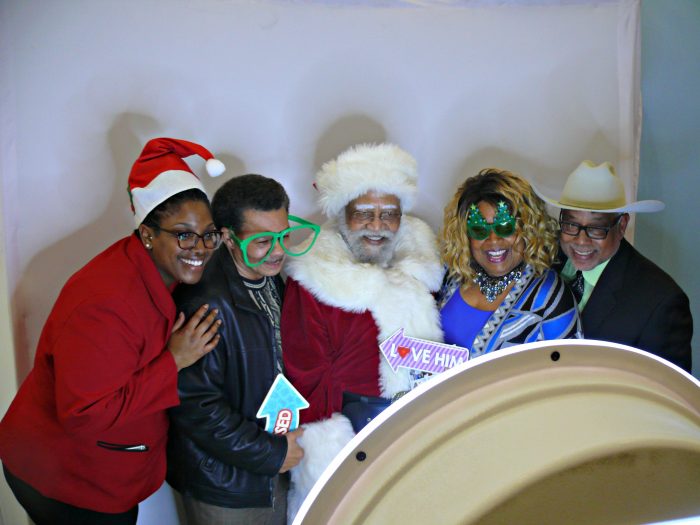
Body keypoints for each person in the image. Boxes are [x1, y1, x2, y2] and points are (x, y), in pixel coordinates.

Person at [0, 137, 225, 525]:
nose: (200, 247)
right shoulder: (105, 304)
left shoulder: (159, 267)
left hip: (101, 469)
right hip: (62, 479)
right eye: (184, 234)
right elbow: (84, 415)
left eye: (208, 234)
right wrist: (175, 359)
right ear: (148, 233)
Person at [280, 143, 444, 520]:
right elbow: (305, 376)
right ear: (342, 216)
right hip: (348, 440)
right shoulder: (312, 282)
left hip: (417, 434)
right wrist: (328, 458)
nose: (377, 226)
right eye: (364, 214)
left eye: (389, 214)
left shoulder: (426, 269)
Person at [167, 174, 319, 525]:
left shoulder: (268, 274)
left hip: (270, 465)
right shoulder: (205, 304)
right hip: (228, 486)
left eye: (283, 235)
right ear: (226, 238)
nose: (279, 249)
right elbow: (195, 406)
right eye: (264, 240)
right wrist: (271, 453)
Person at [534, 160, 693, 372]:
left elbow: (666, 396)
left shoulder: (661, 303)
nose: (581, 241)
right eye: (571, 224)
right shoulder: (543, 256)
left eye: (597, 228)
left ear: (622, 226)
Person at [438, 168, 582, 354]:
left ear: (527, 229)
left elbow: (570, 372)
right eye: (479, 229)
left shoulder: (549, 297)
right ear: (465, 235)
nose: (493, 240)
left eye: (505, 226)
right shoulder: (450, 277)